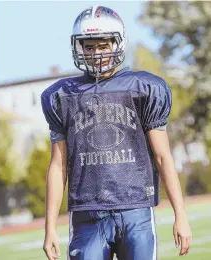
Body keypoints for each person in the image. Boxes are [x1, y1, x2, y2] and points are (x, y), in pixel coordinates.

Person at [41, 5, 192, 260]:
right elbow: (58, 166)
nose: (96, 53)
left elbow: (163, 156)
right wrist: (49, 228)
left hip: (135, 210)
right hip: (87, 213)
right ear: (79, 48)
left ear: (117, 43)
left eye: (102, 46)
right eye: (89, 47)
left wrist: (181, 215)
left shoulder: (144, 87)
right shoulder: (62, 96)